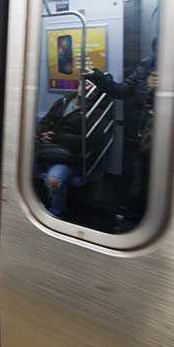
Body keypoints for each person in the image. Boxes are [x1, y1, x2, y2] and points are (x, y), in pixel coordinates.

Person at [84, 38, 158, 228]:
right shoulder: (146, 65)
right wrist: (96, 75)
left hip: (166, 135)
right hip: (144, 133)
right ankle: (133, 219)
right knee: (139, 180)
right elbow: (121, 91)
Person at [34, 93, 87, 219]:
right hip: (48, 150)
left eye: (91, 83)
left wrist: (57, 137)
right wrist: (42, 133)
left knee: (53, 180)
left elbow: (86, 141)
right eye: (84, 81)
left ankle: (57, 213)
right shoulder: (64, 101)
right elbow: (46, 121)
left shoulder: (95, 110)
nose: (85, 85)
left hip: (68, 156)